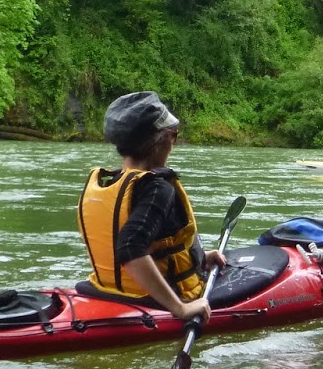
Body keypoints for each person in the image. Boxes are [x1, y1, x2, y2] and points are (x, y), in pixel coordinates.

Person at [77, 91, 223, 322]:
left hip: (105, 291)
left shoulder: (113, 182)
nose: (173, 144)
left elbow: (154, 243)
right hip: (151, 300)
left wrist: (198, 257)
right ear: (160, 140)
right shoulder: (158, 188)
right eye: (174, 136)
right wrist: (181, 309)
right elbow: (130, 248)